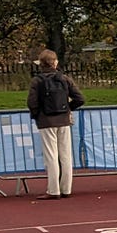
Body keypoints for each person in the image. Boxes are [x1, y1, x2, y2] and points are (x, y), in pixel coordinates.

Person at [26, 50, 84, 199]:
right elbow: (80, 98)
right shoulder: (64, 79)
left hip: (46, 121)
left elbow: (32, 102)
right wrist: (68, 108)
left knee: (51, 156)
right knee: (65, 155)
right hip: (64, 120)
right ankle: (66, 189)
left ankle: (53, 190)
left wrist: (37, 115)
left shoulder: (37, 81)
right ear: (55, 63)